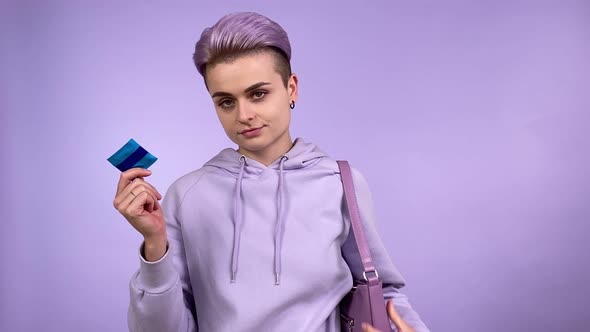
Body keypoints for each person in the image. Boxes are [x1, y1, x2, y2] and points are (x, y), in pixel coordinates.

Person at [113, 12, 430, 332]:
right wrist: (154, 244)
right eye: (226, 102)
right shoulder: (186, 195)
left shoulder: (341, 184)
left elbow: (384, 292)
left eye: (258, 94)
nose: (244, 114)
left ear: (291, 88)